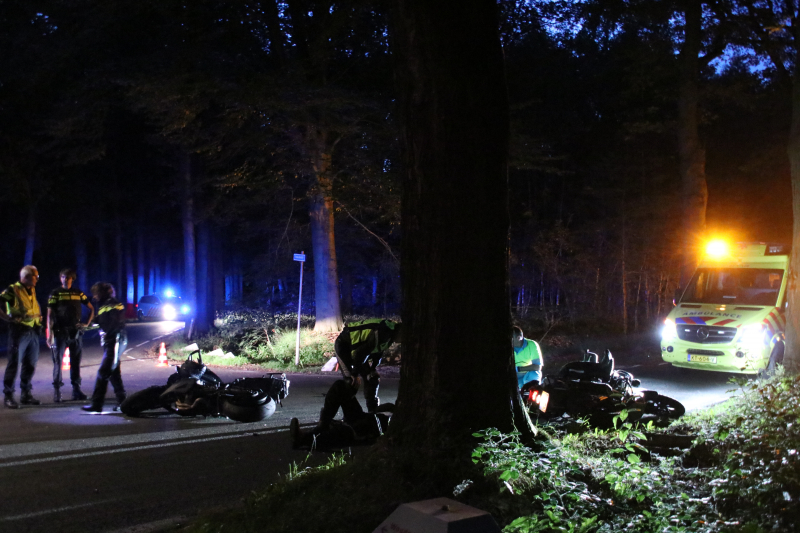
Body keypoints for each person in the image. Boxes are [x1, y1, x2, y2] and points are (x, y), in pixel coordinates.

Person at [289, 378, 392, 450]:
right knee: (340, 386)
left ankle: (305, 439)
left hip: (373, 427)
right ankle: (323, 424)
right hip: (368, 417)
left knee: (346, 431)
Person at [47, 268, 94, 402]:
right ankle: (57, 392)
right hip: (60, 332)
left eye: (67, 278)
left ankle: (76, 391)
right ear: (60, 278)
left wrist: (86, 324)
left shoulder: (78, 293)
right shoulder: (55, 293)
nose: (65, 280)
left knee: (76, 362)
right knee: (58, 363)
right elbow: (49, 315)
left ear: (72, 279)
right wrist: (49, 334)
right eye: (63, 277)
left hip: (75, 332)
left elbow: (91, 308)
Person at [334, 319, 401, 412]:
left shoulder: (390, 334)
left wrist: (373, 368)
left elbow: (378, 351)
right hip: (344, 345)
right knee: (350, 381)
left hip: (359, 351)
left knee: (372, 377)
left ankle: (372, 409)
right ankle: (349, 413)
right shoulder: (384, 332)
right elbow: (360, 353)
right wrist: (355, 373)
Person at [0, 265, 43, 409]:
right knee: (14, 363)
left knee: (30, 364)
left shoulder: (31, 289)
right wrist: (7, 318)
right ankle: (9, 396)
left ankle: (26, 394)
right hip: (19, 331)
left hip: (33, 330)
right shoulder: (13, 290)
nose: (37, 279)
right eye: (35, 276)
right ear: (26, 277)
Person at [82, 282, 127, 413]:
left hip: (114, 340)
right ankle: (123, 401)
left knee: (103, 372)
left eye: (95, 294)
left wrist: (108, 333)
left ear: (101, 293)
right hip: (114, 340)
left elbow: (112, 322)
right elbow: (103, 321)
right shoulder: (106, 304)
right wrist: (88, 326)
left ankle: (96, 404)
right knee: (113, 373)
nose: (94, 297)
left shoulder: (110, 304)